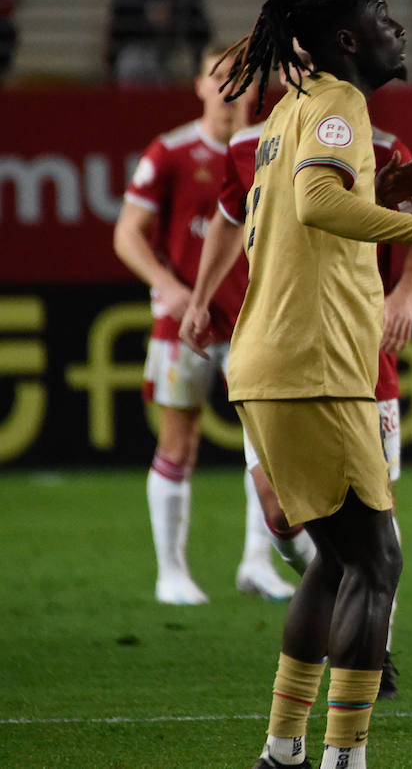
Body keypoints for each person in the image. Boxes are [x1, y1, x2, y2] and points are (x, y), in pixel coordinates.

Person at [213, 0, 412, 769]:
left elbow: (303, 209)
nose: (396, 30)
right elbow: (316, 206)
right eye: (381, 20)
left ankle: (284, 751)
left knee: (338, 561)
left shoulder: (285, 116)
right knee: (376, 562)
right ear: (345, 41)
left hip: (270, 360)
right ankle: (344, 759)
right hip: (314, 363)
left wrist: (377, 185)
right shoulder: (340, 105)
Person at [182, 103, 412, 699]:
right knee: (278, 513)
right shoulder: (251, 145)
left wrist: (403, 296)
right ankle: (350, 604)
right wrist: (200, 297)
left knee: (373, 510)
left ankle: (374, 647)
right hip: (276, 346)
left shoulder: (380, 143)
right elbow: (225, 220)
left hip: (357, 350)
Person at [112, 44, 295, 606]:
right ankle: (171, 572)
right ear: (198, 85)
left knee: (265, 450)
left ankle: (256, 564)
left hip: (255, 320)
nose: (227, 88)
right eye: (218, 77)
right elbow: (127, 233)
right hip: (185, 323)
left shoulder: (270, 146)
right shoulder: (170, 151)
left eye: (239, 79)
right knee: (178, 438)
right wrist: (169, 289)